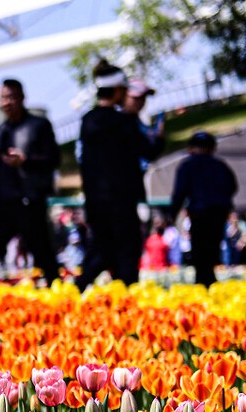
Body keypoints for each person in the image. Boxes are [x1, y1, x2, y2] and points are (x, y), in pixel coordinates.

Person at [75, 61, 165, 290]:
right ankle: (123, 299)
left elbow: (84, 164)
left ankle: (80, 289)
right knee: (126, 254)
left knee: (102, 251)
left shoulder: (88, 121)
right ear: (117, 91)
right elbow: (149, 151)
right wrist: (159, 135)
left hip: (96, 202)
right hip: (121, 202)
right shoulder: (123, 122)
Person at [0, 79, 60, 283]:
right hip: (4, 204)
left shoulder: (38, 126)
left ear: (22, 98)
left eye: (11, 97)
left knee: (44, 254)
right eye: (3, 98)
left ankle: (59, 296)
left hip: (29, 201)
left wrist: (26, 160)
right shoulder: (1, 130)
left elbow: (53, 159)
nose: (7, 102)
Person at [171, 131, 240, 286]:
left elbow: (180, 192)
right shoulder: (220, 165)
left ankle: (203, 280)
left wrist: (172, 213)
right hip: (218, 213)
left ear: (191, 148)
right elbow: (232, 187)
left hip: (199, 213)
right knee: (213, 247)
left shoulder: (187, 165)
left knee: (199, 249)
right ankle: (209, 279)